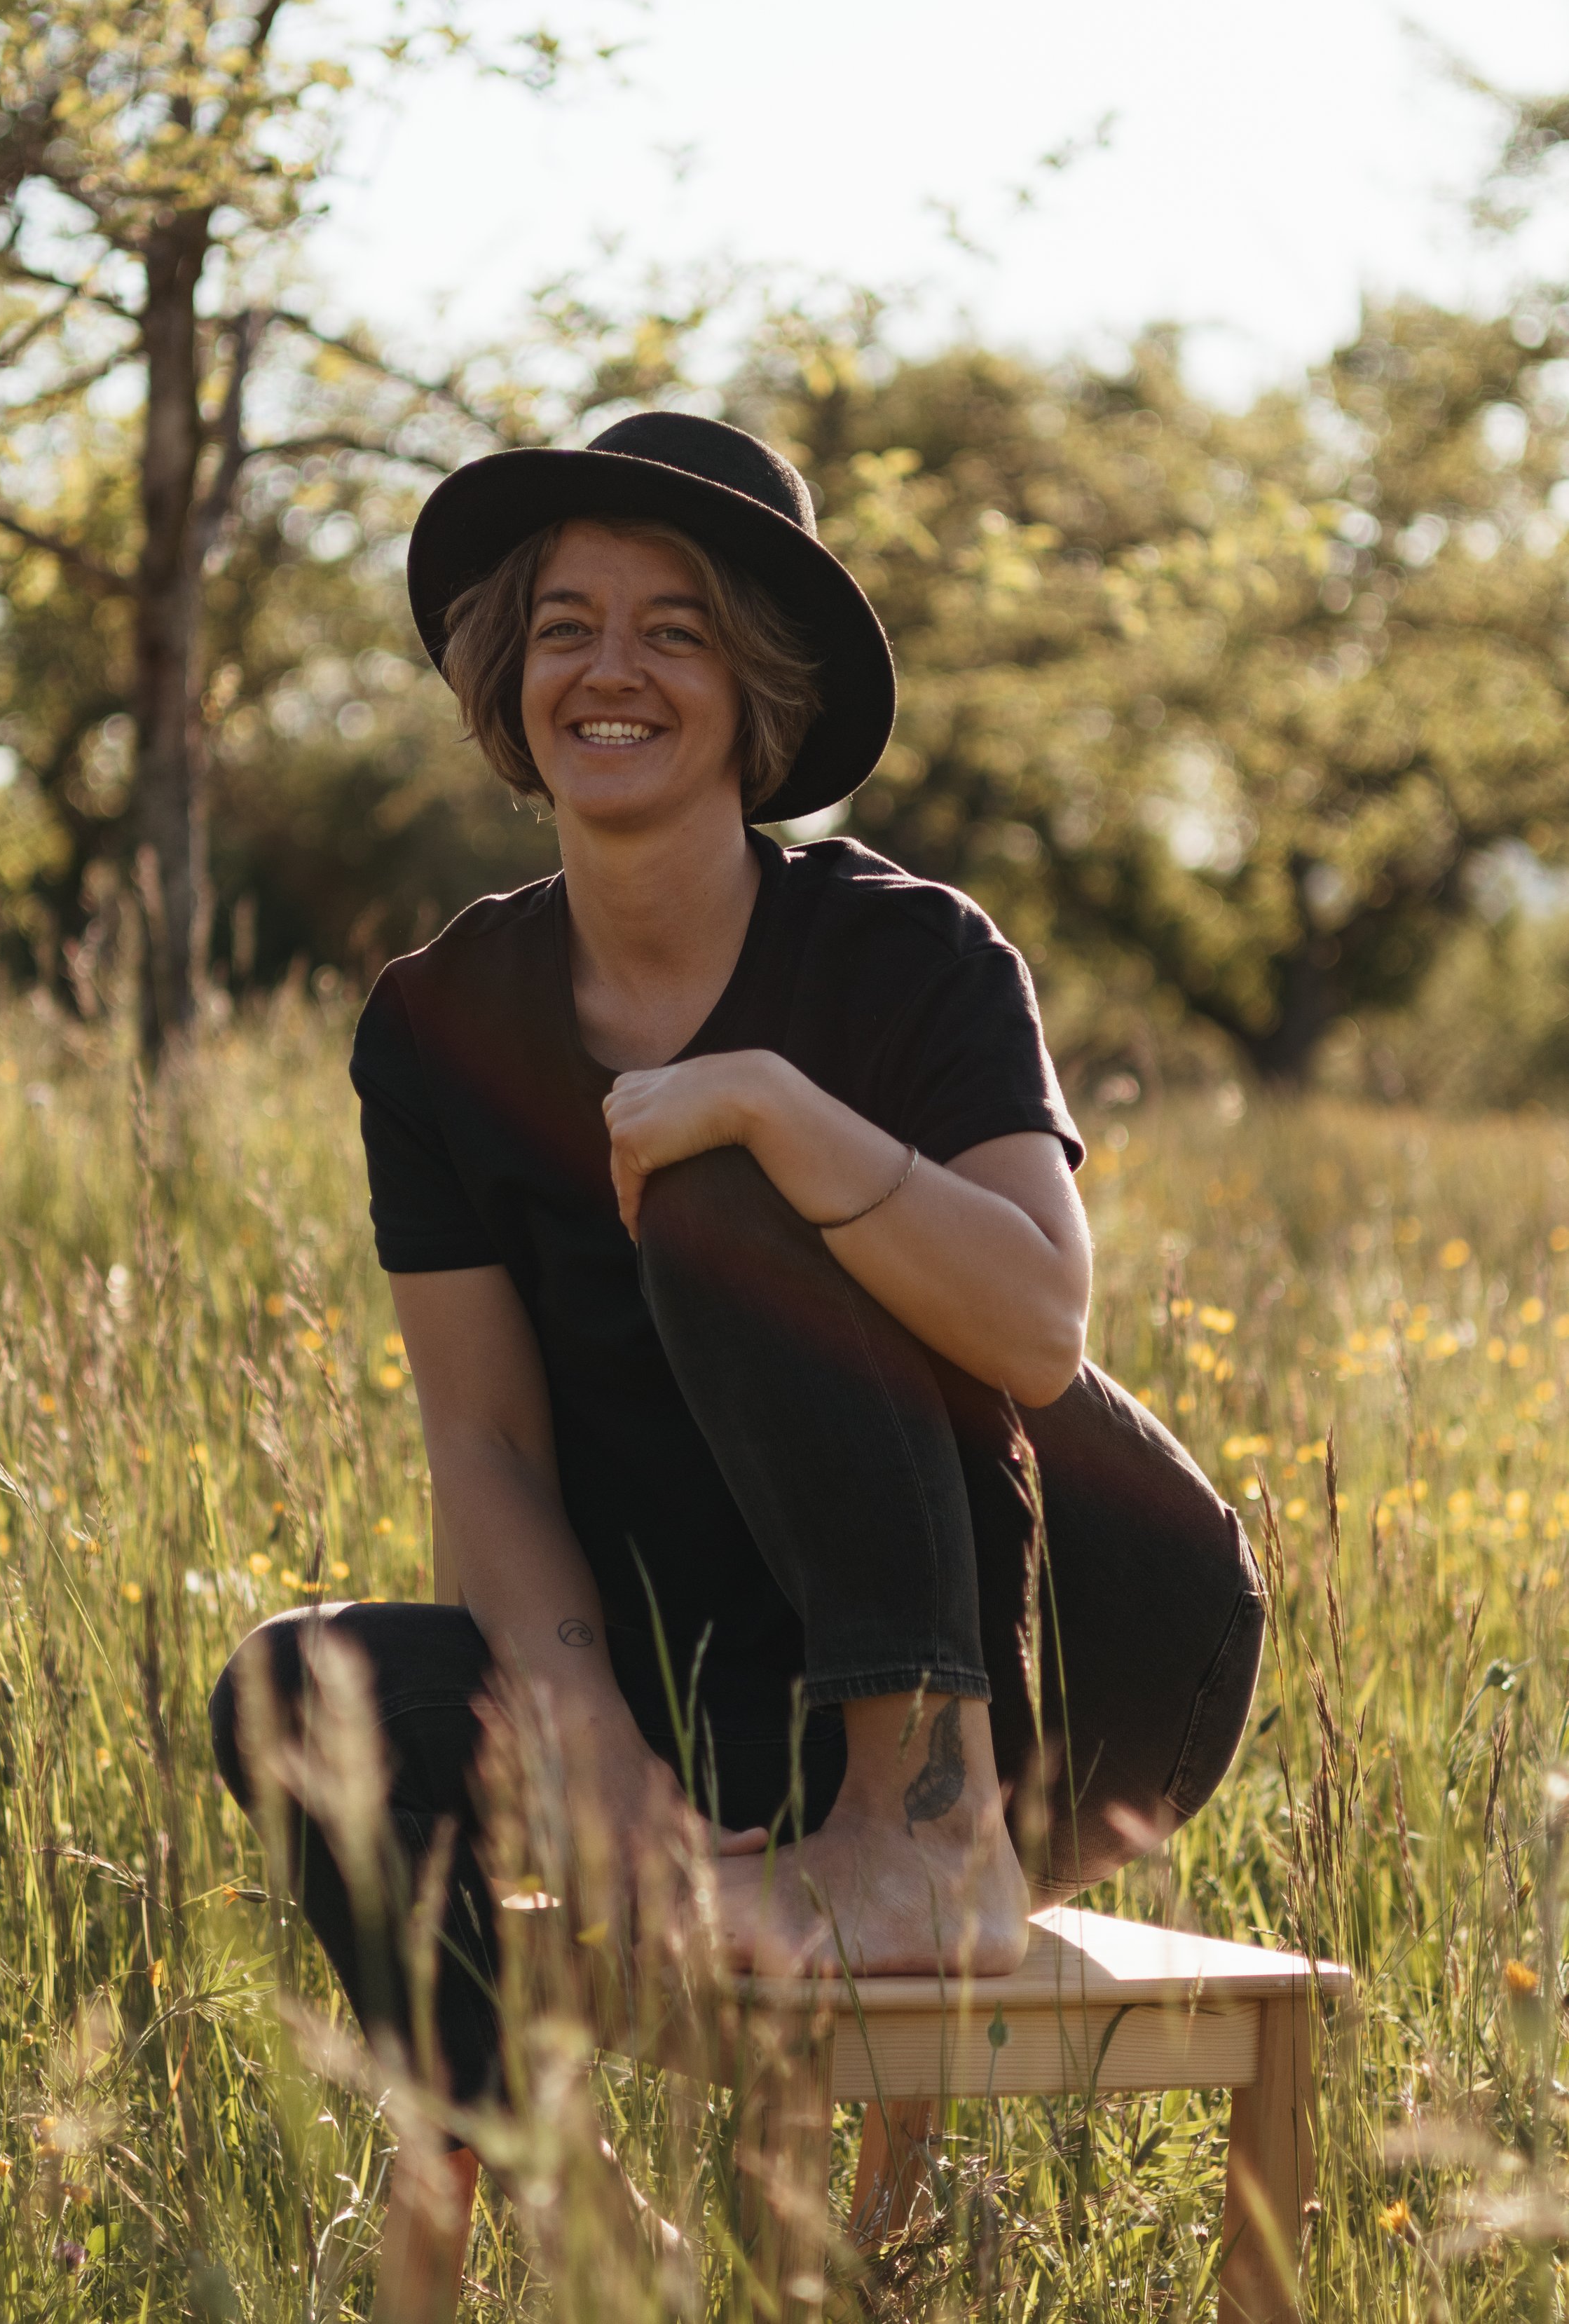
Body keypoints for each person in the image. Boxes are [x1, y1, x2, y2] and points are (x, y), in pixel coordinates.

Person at [210, 410, 1264, 2119]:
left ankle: (918, 1834)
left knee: (712, 1185)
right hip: (713, 1685)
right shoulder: (434, 1025)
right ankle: (552, 2190)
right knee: (293, 1691)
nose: (608, 671)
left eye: (672, 629)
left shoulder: (911, 957)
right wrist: (595, 1756)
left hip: (1073, 1662)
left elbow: (1039, 1326)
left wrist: (783, 1114)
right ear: (507, 675)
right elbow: (481, 1445)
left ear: (754, 687)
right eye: (566, 627)